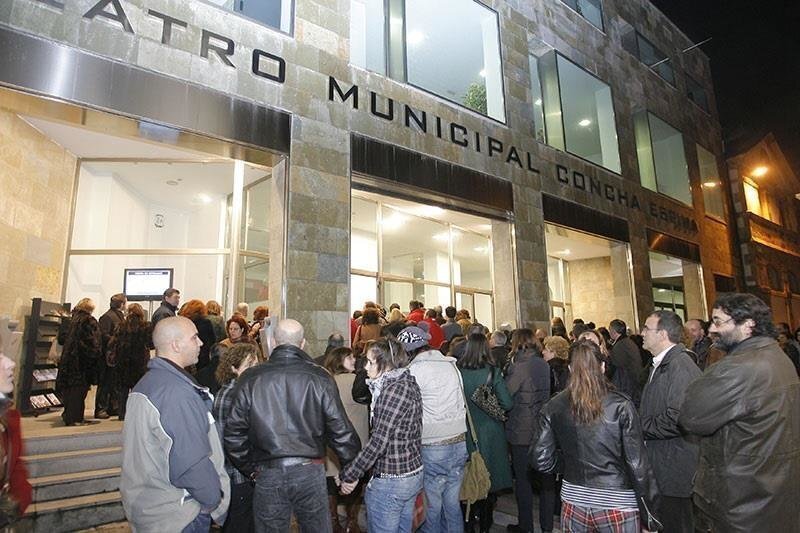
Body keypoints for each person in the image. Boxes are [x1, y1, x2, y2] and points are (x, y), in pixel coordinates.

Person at [224, 319, 361, 533]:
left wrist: (251, 470)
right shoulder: (320, 377)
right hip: (310, 471)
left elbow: (233, 435)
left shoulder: (250, 378)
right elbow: (340, 430)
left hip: (267, 471)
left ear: (272, 341)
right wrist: (351, 469)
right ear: (303, 343)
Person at [679, 293, 800, 532]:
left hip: (741, 501)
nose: (712, 329)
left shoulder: (738, 368)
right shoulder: (777, 356)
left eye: (718, 321)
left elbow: (690, 416)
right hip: (771, 491)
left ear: (748, 324)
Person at [531, 340, 662, 533]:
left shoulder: (554, 405)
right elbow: (637, 464)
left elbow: (540, 458)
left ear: (570, 368)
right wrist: (650, 514)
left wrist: (570, 462)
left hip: (574, 499)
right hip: (617, 501)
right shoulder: (621, 405)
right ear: (602, 367)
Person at [120, 316, 230, 531]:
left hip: (152, 508)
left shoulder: (149, 384)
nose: (201, 343)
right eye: (194, 337)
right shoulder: (176, 393)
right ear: (176, 345)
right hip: (178, 514)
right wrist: (212, 500)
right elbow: (191, 461)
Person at [338, 338, 423, 533]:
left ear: (386, 363)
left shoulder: (393, 390)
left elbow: (379, 441)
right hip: (410, 474)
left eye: (370, 362)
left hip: (393, 479)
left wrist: (351, 474)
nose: (365, 367)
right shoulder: (406, 382)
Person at [400, 326, 467, 533]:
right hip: (459, 441)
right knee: (452, 503)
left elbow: (407, 410)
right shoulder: (451, 365)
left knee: (432, 504)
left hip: (433, 445)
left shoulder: (414, 371)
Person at [639, 311, 701, 533]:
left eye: (647, 328)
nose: (642, 333)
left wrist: (638, 426)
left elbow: (677, 419)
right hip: (663, 464)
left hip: (675, 471)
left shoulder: (680, 366)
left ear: (663, 334)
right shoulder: (661, 364)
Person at [457, 331, 513, 533]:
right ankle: (485, 526)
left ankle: (468, 523)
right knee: (488, 481)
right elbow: (507, 403)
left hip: (465, 430)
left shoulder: (457, 372)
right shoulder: (492, 372)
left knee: (468, 478)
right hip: (491, 433)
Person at [505, 329, 552, 533]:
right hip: (542, 428)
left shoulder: (519, 366)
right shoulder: (543, 364)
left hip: (521, 430)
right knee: (545, 481)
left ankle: (526, 526)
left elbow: (506, 394)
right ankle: (547, 526)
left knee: (523, 482)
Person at [214, 343, 260, 533]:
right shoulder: (235, 394)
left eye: (256, 364)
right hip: (238, 476)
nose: (255, 369)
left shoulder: (231, 391)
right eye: (249, 365)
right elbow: (232, 441)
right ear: (233, 368)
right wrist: (253, 470)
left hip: (238, 474)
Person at [324, 347, 369, 533]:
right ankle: (352, 522)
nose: (354, 360)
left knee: (330, 484)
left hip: (331, 442)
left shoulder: (326, 382)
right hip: (357, 441)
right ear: (339, 360)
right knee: (355, 482)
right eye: (349, 357)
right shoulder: (357, 381)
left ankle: (333, 522)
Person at [0, 328, 32, 528]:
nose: (11, 362)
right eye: (0, 356)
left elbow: (16, 467)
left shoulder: (8, 420)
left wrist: (18, 500)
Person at [56, 298, 101, 426]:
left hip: (68, 361)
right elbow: (92, 343)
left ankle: (70, 416)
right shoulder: (88, 321)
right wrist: (95, 357)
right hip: (81, 363)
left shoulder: (71, 319)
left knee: (71, 391)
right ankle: (75, 419)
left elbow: (62, 339)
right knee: (79, 392)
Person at [109, 303, 151, 421]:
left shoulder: (121, 325)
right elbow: (150, 343)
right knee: (138, 390)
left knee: (123, 389)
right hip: (139, 361)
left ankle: (122, 413)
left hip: (123, 361)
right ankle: (136, 414)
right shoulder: (145, 326)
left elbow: (114, 342)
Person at [96, 293, 126, 419]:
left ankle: (112, 407)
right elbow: (103, 335)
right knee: (105, 382)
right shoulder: (107, 317)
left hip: (115, 354)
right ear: (122, 304)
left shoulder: (118, 316)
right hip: (108, 355)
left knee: (113, 382)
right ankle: (101, 408)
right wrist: (117, 340)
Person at [607, 319, 644, 406]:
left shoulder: (620, 346)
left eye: (610, 329)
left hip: (629, 386)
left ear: (613, 331)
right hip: (635, 382)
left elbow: (616, 368)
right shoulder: (628, 342)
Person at [180, 299, 217, 370]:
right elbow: (212, 341)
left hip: (187, 356)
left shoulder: (185, 323)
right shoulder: (206, 323)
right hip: (203, 357)